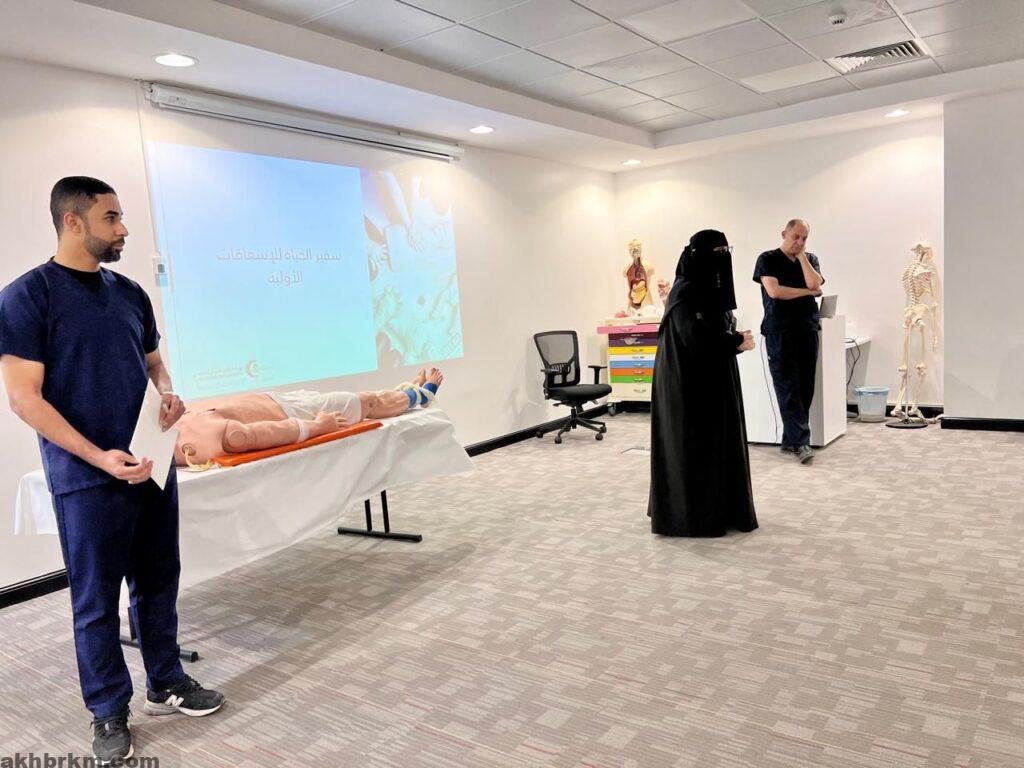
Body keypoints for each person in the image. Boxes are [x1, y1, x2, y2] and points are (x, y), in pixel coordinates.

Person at [0, 177, 224, 765]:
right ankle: (107, 709)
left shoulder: (129, 293)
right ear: (73, 221)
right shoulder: (27, 297)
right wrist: (98, 456)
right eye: (112, 218)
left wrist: (167, 394)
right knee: (96, 598)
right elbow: (24, 398)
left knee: (159, 579)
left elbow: (154, 364)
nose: (124, 229)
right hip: (86, 476)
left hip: (150, 464)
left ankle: (166, 681)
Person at [648, 230, 758, 537]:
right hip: (688, 385)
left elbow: (711, 329)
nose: (722, 258)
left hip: (711, 379)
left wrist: (732, 339)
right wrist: (734, 342)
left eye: (725, 251)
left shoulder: (708, 288)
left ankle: (721, 508)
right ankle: (692, 516)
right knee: (694, 446)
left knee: (716, 443)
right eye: (717, 252)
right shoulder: (685, 291)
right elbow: (694, 339)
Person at [175, 367, 444, 467]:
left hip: (275, 402)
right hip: (291, 414)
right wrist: (316, 427)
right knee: (366, 402)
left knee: (364, 400)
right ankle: (420, 395)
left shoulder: (165, 424)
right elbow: (241, 437)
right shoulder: (191, 439)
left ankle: (405, 392)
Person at [752, 219, 825, 464]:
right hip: (779, 331)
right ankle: (801, 442)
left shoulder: (810, 259)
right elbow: (775, 291)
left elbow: (815, 283)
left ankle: (790, 439)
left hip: (807, 328)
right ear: (784, 233)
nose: (800, 242)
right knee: (787, 386)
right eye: (795, 237)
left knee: (805, 386)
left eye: (804, 238)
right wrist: (807, 293)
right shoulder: (767, 259)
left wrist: (802, 256)